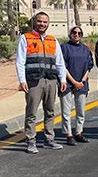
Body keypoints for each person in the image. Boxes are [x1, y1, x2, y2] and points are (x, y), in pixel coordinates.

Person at [16, 11, 67, 154]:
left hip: (51, 80)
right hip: (34, 81)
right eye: (40, 21)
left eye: (45, 22)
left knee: (50, 111)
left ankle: (49, 139)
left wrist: (62, 79)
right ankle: (31, 141)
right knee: (31, 112)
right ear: (34, 22)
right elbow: (20, 61)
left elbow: (60, 62)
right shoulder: (25, 38)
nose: (42, 24)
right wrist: (22, 80)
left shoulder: (53, 40)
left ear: (48, 24)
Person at [59, 26, 94, 145]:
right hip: (68, 83)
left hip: (82, 83)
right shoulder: (64, 48)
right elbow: (62, 66)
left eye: (79, 33)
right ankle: (68, 134)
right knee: (66, 111)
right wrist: (73, 82)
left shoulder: (86, 49)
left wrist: (82, 82)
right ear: (70, 34)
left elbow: (89, 66)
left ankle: (79, 132)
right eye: (74, 32)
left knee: (81, 111)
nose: (76, 35)